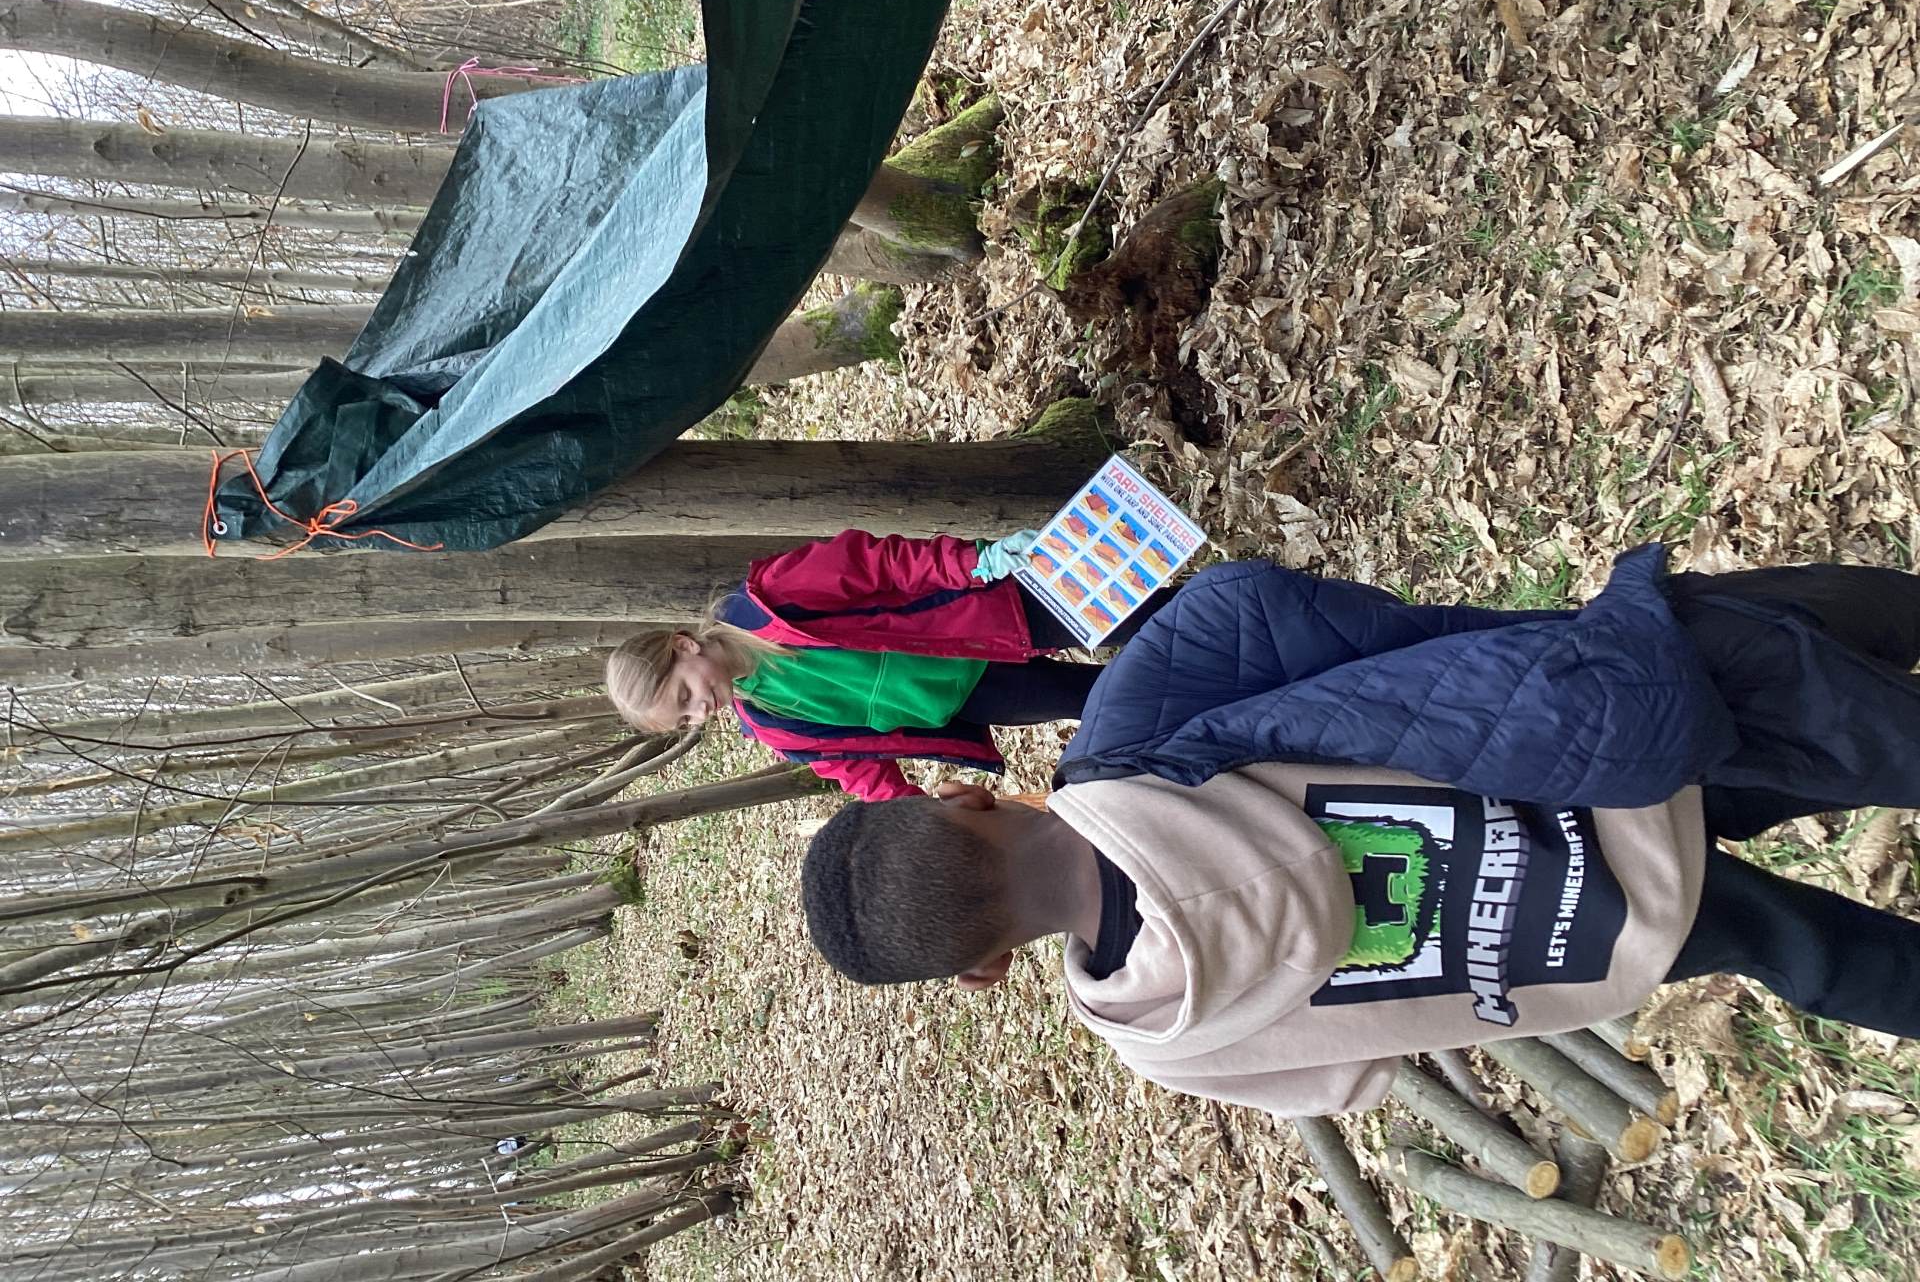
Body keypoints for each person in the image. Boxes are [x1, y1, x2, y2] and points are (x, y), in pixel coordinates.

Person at [799, 546, 1920, 1115]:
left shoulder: (1160, 1043)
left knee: (1812, 956)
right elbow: (1261, 608)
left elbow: (1348, 1077)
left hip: (1608, 933)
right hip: (1593, 754)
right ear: (969, 798)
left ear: (985, 969)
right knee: (1803, 700)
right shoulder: (1131, 732)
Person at [605, 528, 1176, 800]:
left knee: (1145, 618)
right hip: (975, 696)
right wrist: (913, 814)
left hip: (974, 616)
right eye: (685, 720)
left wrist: (970, 563)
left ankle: (1227, 613)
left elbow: (877, 565)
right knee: (1107, 700)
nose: (700, 712)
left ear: (684, 645)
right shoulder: (772, 724)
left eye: (685, 696)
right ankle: (1211, 696)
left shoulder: (772, 598)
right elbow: (856, 768)